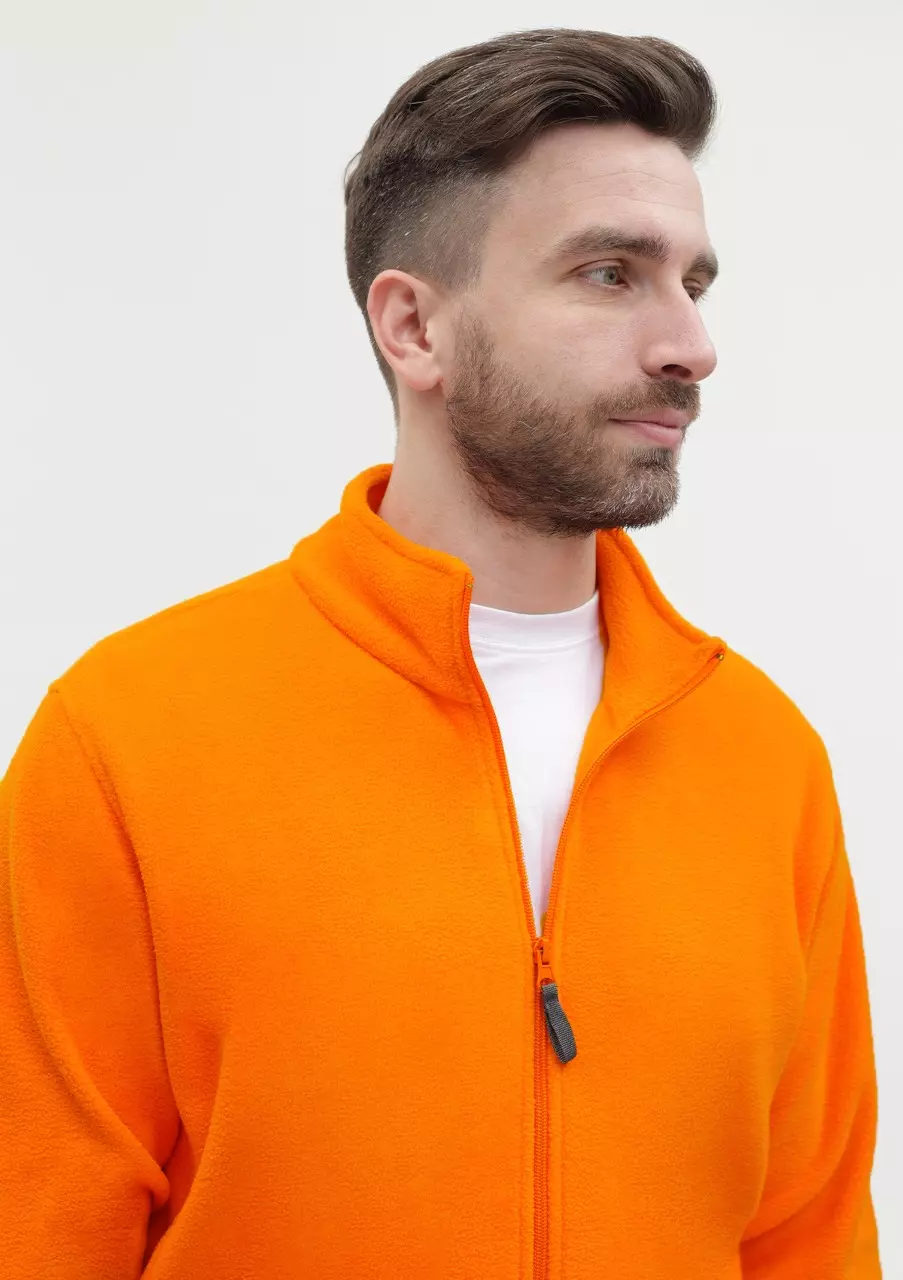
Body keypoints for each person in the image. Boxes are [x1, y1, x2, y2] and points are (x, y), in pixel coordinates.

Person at [0, 26, 882, 1279]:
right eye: (610, 274)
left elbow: (810, 1241)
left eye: (694, 280)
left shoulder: (766, 760)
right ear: (413, 326)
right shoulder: (128, 741)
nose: (690, 343)